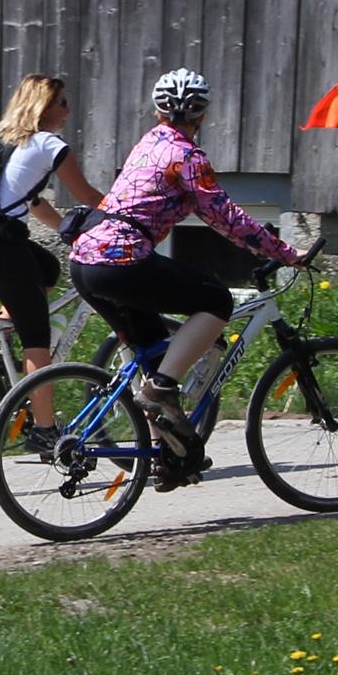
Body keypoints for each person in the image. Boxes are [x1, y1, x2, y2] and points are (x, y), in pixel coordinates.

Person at [69, 68, 303, 486]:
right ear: (203, 114)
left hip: (85, 261)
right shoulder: (188, 157)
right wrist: (284, 251)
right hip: (121, 260)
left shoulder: (147, 144)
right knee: (215, 300)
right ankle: (160, 391)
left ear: (158, 111)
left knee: (155, 359)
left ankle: (169, 456)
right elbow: (224, 217)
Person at [0, 74, 109, 444]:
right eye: (63, 103)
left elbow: (31, 202)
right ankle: (43, 431)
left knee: (47, 267)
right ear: (44, 107)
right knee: (37, 336)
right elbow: (88, 195)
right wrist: (129, 218)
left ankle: (0, 344)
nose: (69, 111)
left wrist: (71, 234)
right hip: (0, 247)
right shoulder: (50, 145)